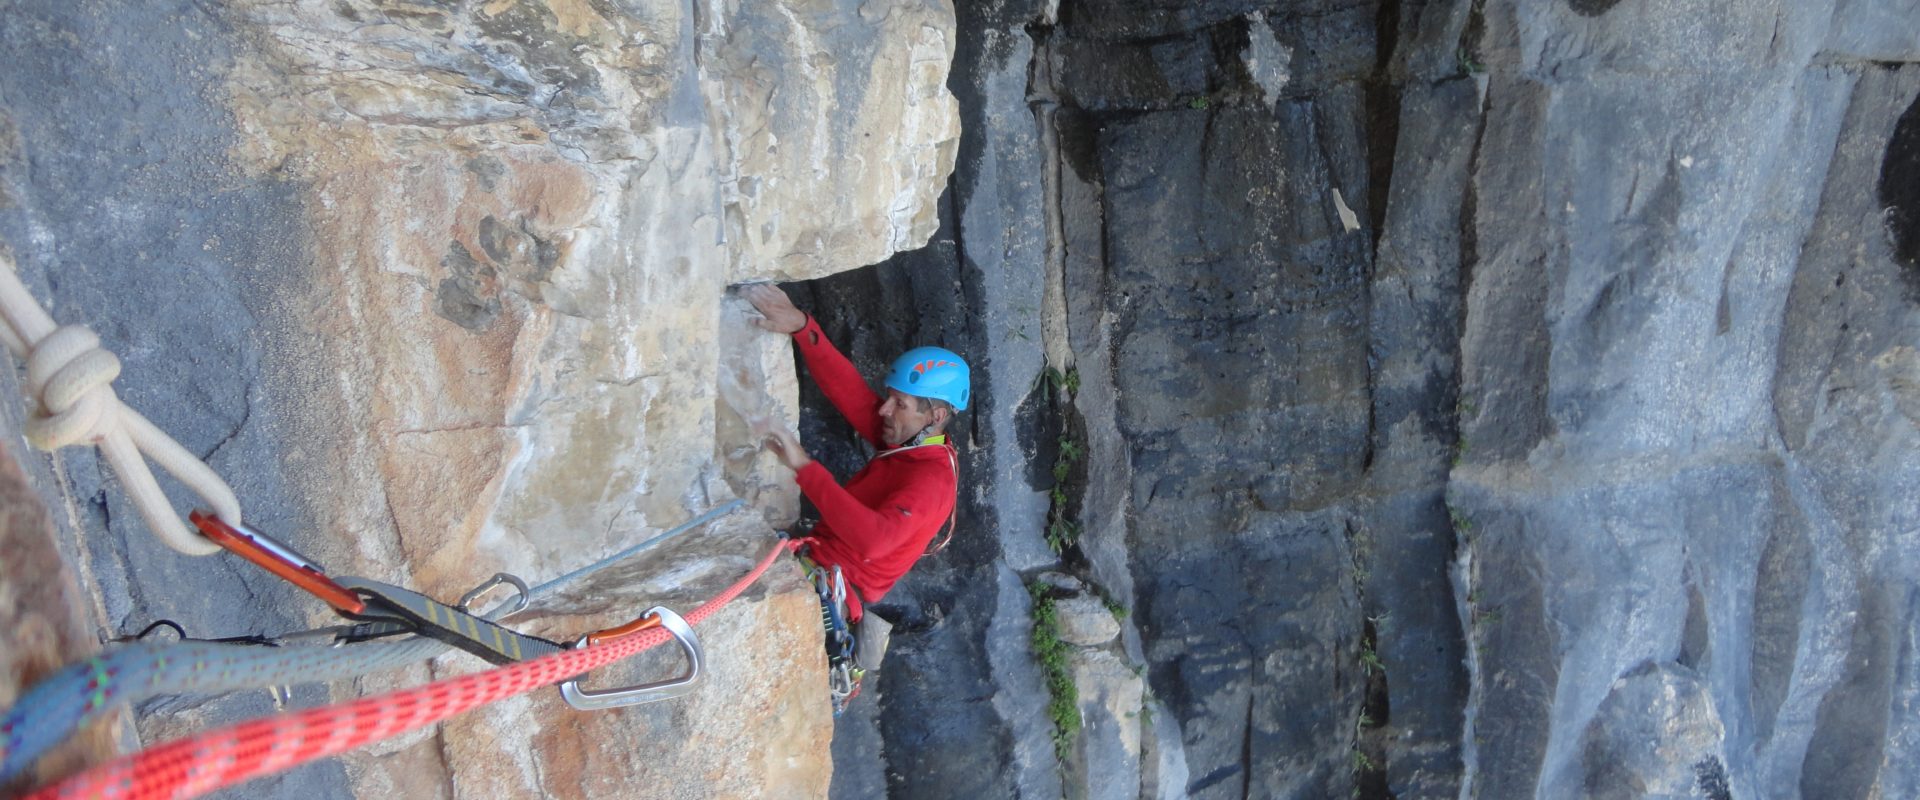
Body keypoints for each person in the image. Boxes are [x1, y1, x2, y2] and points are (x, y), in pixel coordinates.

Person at [742, 283, 968, 625]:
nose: (884, 410)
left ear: (934, 416)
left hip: (830, 593)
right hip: (821, 568)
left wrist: (803, 466)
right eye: (889, 397)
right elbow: (851, 394)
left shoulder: (931, 480)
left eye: (899, 404)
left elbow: (874, 542)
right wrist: (804, 327)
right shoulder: (910, 442)